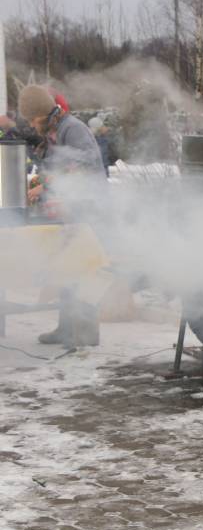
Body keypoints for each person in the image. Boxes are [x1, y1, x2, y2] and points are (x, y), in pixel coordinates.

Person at [17, 85, 106, 346]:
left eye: (33, 120)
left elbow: (86, 163)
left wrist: (47, 185)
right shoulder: (54, 131)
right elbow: (57, 167)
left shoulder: (73, 129)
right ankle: (66, 328)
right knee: (67, 268)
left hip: (89, 207)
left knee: (84, 269)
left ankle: (85, 332)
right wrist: (39, 182)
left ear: (43, 114)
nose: (32, 126)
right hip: (70, 209)